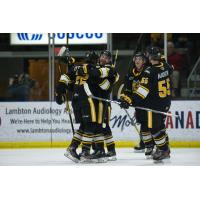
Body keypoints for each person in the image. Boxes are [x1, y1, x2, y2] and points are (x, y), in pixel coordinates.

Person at [119, 47, 173, 161]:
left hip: (154, 105)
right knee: (161, 127)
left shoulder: (149, 72)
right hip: (166, 102)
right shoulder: (167, 67)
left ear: (149, 57)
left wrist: (129, 101)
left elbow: (142, 91)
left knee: (154, 129)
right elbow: (170, 68)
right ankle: (163, 148)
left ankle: (164, 150)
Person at [122, 52, 148, 153]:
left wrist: (132, 100)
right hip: (138, 103)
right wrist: (124, 99)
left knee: (150, 124)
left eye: (140, 59)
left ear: (144, 61)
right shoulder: (130, 74)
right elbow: (127, 91)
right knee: (143, 123)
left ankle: (154, 144)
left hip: (148, 102)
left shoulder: (147, 72)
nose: (137, 60)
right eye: (136, 58)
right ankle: (143, 143)